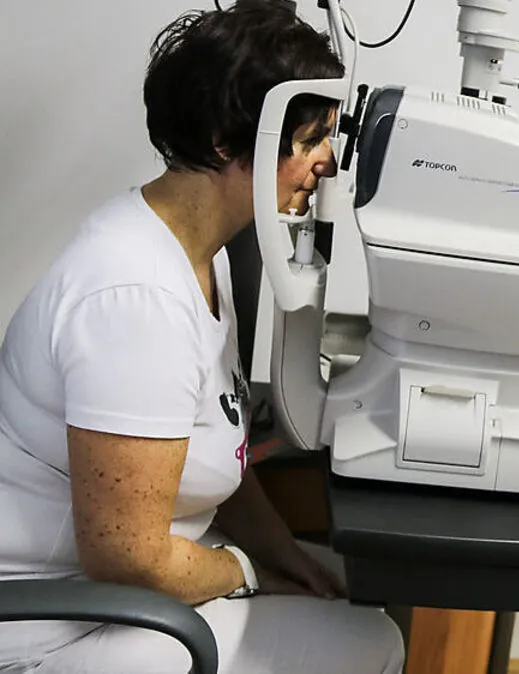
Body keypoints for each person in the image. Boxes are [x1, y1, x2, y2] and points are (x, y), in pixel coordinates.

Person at [0, 3, 404, 672]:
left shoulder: (199, 253)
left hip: (121, 597)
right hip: (55, 626)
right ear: (226, 142)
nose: (328, 163)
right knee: (372, 644)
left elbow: (215, 449)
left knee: (355, 597)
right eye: (310, 140)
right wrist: (246, 571)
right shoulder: (136, 298)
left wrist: (283, 556)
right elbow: (128, 558)